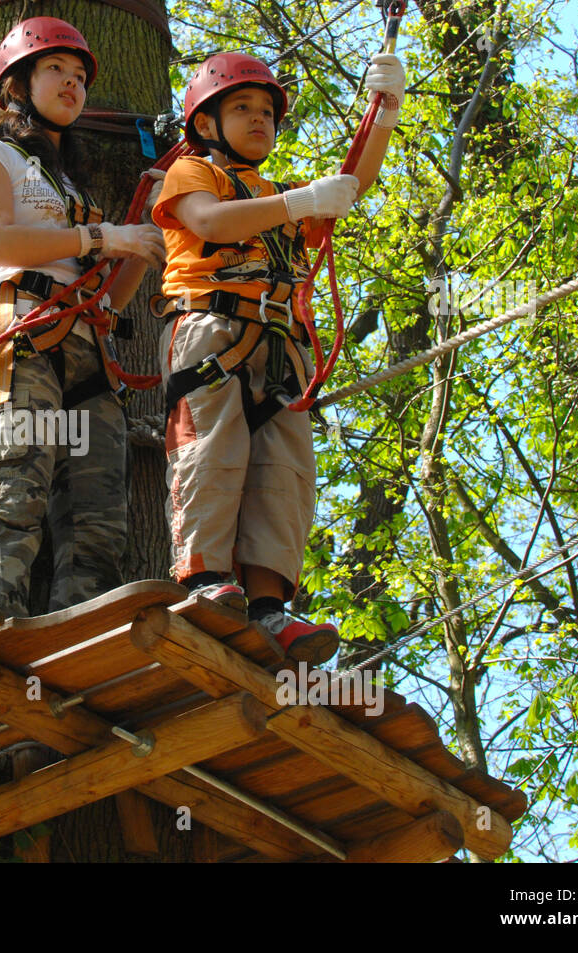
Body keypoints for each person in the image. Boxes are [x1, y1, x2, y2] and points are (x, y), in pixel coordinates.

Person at [151, 51, 405, 663]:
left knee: (284, 476)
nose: (260, 119)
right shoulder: (192, 173)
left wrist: (386, 113)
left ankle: (269, 606)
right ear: (206, 124)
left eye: (267, 111)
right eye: (242, 108)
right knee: (211, 453)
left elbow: (354, 183)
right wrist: (297, 203)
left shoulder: (276, 196)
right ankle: (206, 581)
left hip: (281, 347)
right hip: (212, 331)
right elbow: (209, 222)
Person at [0, 16, 165, 618]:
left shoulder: (72, 187)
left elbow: (110, 302)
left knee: (97, 520)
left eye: (79, 76)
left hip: (87, 358)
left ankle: (80, 648)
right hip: (22, 342)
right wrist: (104, 234)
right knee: (15, 489)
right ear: (17, 84)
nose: (73, 84)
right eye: (55, 70)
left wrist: (138, 239)